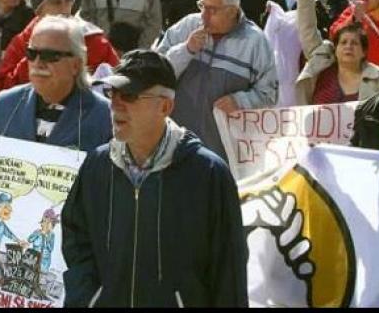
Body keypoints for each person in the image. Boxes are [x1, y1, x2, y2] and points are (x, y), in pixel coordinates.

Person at [61, 50, 248, 307]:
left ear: (165, 106)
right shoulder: (96, 165)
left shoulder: (209, 174)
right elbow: (76, 242)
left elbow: (229, 273)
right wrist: (90, 299)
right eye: (112, 93)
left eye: (129, 95)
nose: (115, 104)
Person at [0, 16, 112, 305]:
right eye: (32, 53)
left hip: (71, 271)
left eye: (51, 55)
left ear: (77, 64)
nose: (38, 62)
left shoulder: (103, 116)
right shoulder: (6, 103)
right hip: (4, 270)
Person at [153, 0, 278, 161]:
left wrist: (240, 100)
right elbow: (156, 71)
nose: (203, 16)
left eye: (212, 10)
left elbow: (270, 94)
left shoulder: (255, 42)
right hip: (174, 143)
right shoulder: (188, 25)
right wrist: (186, 50)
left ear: (232, 11)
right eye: (202, 6)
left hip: (222, 152)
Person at [0, 0, 119, 95]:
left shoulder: (93, 40)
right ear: (39, 11)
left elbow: (118, 82)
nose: (64, 9)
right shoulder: (22, 44)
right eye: (55, 2)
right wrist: (35, 58)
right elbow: (2, 90)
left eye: (68, 0)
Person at [295, 0, 379, 105]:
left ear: (364, 51)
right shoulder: (321, 64)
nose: (348, 47)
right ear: (335, 47)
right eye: (343, 42)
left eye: (354, 43)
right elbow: (307, 28)